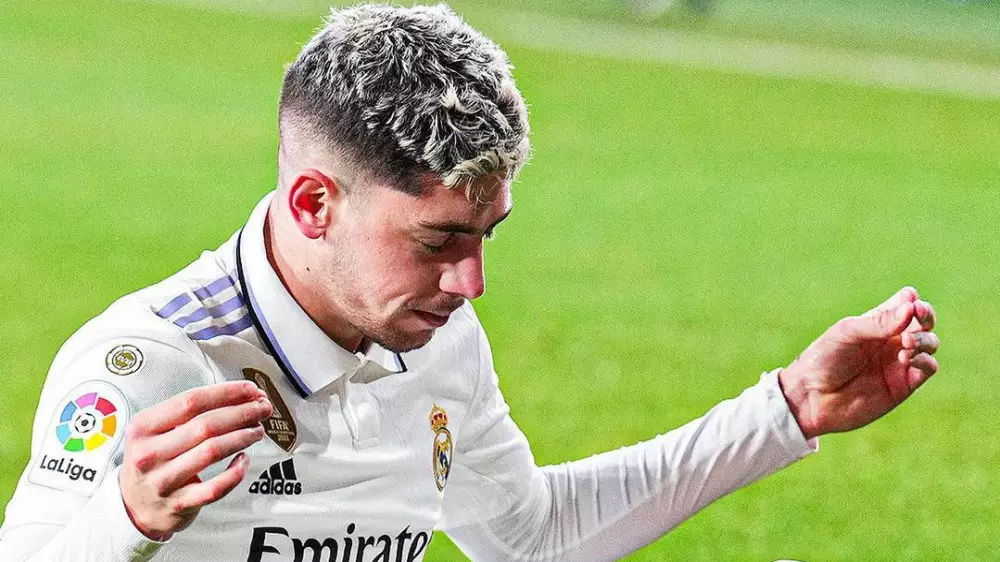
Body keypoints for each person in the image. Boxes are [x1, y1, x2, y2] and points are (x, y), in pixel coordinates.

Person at [0, 5, 939, 561]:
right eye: (438, 240)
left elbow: (527, 537)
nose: (472, 282)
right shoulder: (155, 363)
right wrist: (125, 519)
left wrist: (787, 410)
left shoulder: (434, 337)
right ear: (315, 202)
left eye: (488, 235)